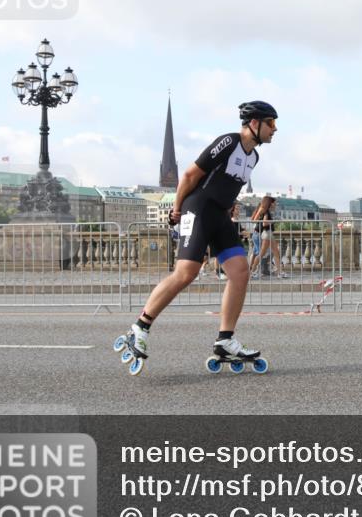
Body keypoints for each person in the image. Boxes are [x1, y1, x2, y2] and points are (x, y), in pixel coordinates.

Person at [114, 100, 279, 375]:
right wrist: (176, 209)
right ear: (254, 123)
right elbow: (191, 174)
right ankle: (139, 328)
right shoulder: (228, 142)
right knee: (186, 272)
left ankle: (225, 339)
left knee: (240, 272)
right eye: (271, 123)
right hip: (198, 208)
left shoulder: (254, 158)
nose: (274, 130)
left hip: (220, 215)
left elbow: (228, 188)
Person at [249, 196, 288, 279]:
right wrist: (274, 221)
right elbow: (264, 223)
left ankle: (279, 272)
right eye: (275, 203)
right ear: (271, 203)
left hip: (267, 233)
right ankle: (252, 272)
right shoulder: (266, 211)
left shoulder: (264, 210)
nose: (276, 205)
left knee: (276, 252)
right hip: (267, 234)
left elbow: (254, 220)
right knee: (262, 253)